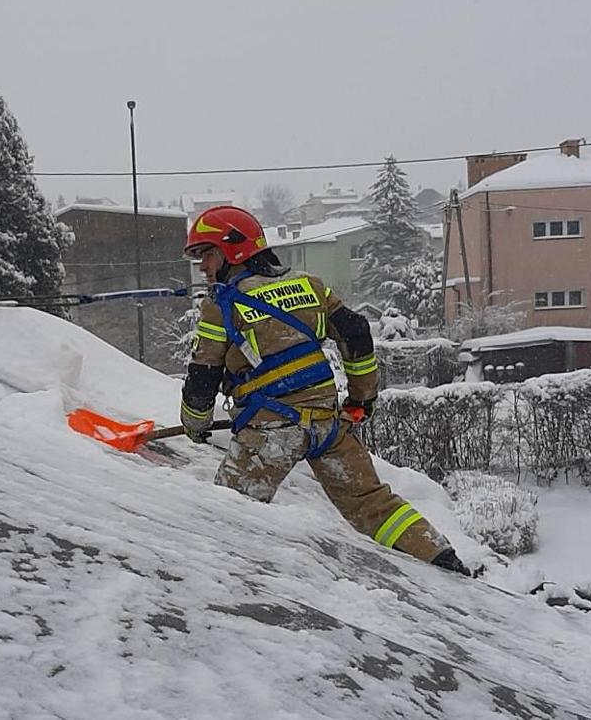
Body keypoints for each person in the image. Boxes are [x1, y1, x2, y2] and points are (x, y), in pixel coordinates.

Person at [178, 205, 480, 578]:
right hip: (328, 425)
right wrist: (361, 399)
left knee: (230, 512)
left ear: (233, 250)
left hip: (271, 432)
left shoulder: (219, 305)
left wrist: (194, 424)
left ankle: (224, 583)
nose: (203, 267)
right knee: (373, 504)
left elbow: (203, 376)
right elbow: (355, 332)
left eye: (206, 254)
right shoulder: (310, 285)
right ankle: (442, 560)